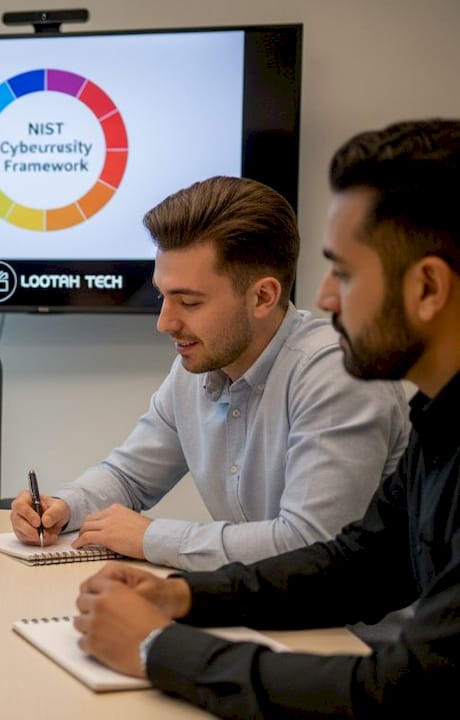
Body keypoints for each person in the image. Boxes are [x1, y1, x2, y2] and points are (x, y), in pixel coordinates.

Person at [72, 119, 460, 717]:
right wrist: (179, 597)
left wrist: (156, 647)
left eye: (347, 273)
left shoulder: (335, 370)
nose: (327, 298)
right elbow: (351, 565)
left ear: (428, 287)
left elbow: (401, 690)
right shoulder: (441, 422)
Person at [9, 176, 410, 571]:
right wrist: (64, 507)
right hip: (260, 602)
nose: (165, 323)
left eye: (189, 302)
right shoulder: (197, 366)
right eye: (163, 296)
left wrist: (150, 537)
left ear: (262, 297)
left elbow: (310, 544)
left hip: (356, 629)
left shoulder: (338, 375)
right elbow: (129, 476)